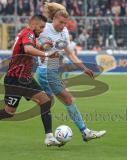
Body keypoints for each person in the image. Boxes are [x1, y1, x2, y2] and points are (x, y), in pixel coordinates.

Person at [0, 15, 61, 147]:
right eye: (41, 27)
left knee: (44, 101)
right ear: (33, 24)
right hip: (16, 78)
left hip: (23, 78)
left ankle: (49, 136)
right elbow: (28, 49)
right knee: (10, 112)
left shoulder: (27, 34)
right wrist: (46, 54)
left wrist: (44, 47)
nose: (42, 30)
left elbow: (33, 46)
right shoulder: (28, 33)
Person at [36, 2, 106, 144]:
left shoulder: (64, 32)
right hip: (45, 71)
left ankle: (49, 136)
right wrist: (42, 49)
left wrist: (83, 67)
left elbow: (69, 53)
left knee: (46, 104)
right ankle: (85, 132)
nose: (63, 25)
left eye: (65, 23)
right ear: (54, 19)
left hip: (53, 70)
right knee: (68, 99)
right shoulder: (44, 29)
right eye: (61, 22)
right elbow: (34, 44)